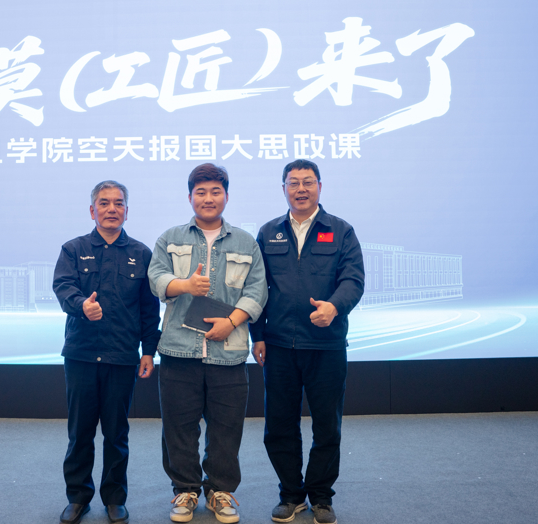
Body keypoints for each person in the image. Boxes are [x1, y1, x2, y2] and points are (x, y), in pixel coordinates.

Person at [148, 163, 267, 524]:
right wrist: (184, 285)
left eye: (216, 191)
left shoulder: (246, 242)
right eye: (201, 192)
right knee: (178, 427)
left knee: (226, 428)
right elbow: (156, 277)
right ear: (190, 197)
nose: (208, 198)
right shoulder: (170, 238)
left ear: (226, 196)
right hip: (178, 350)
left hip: (228, 352)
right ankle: (185, 490)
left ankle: (220, 491)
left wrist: (231, 322)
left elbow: (257, 290)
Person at [251, 159, 365, 524]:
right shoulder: (268, 232)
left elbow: (353, 280)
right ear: (283, 188)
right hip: (279, 345)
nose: (301, 189)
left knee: (327, 425)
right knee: (278, 426)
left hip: (326, 345)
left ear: (319, 186)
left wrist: (334, 306)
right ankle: (290, 494)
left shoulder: (341, 230)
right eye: (293, 182)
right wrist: (258, 335)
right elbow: (257, 287)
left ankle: (321, 496)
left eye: (308, 182)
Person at [53, 180, 162, 524]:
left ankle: (115, 498)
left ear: (127, 211)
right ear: (92, 210)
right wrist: (81, 305)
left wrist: (149, 351)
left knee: (117, 434)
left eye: (118, 203)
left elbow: (149, 310)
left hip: (121, 357)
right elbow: (63, 286)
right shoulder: (74, 249)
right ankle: (78, 498)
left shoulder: (142, 254)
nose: (111, 209)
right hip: (81, 355)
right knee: (80, 432)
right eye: (104, 203)